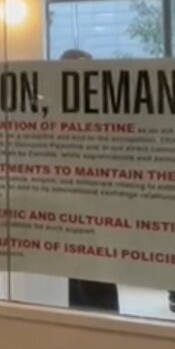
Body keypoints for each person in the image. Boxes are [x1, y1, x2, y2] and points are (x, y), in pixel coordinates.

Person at [59, 49, 120, 313]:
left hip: (99, 206)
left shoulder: (104, 109)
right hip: (68, 206)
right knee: (76, 274)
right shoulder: (57, 110)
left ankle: (106, 328)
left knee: (97, 276)